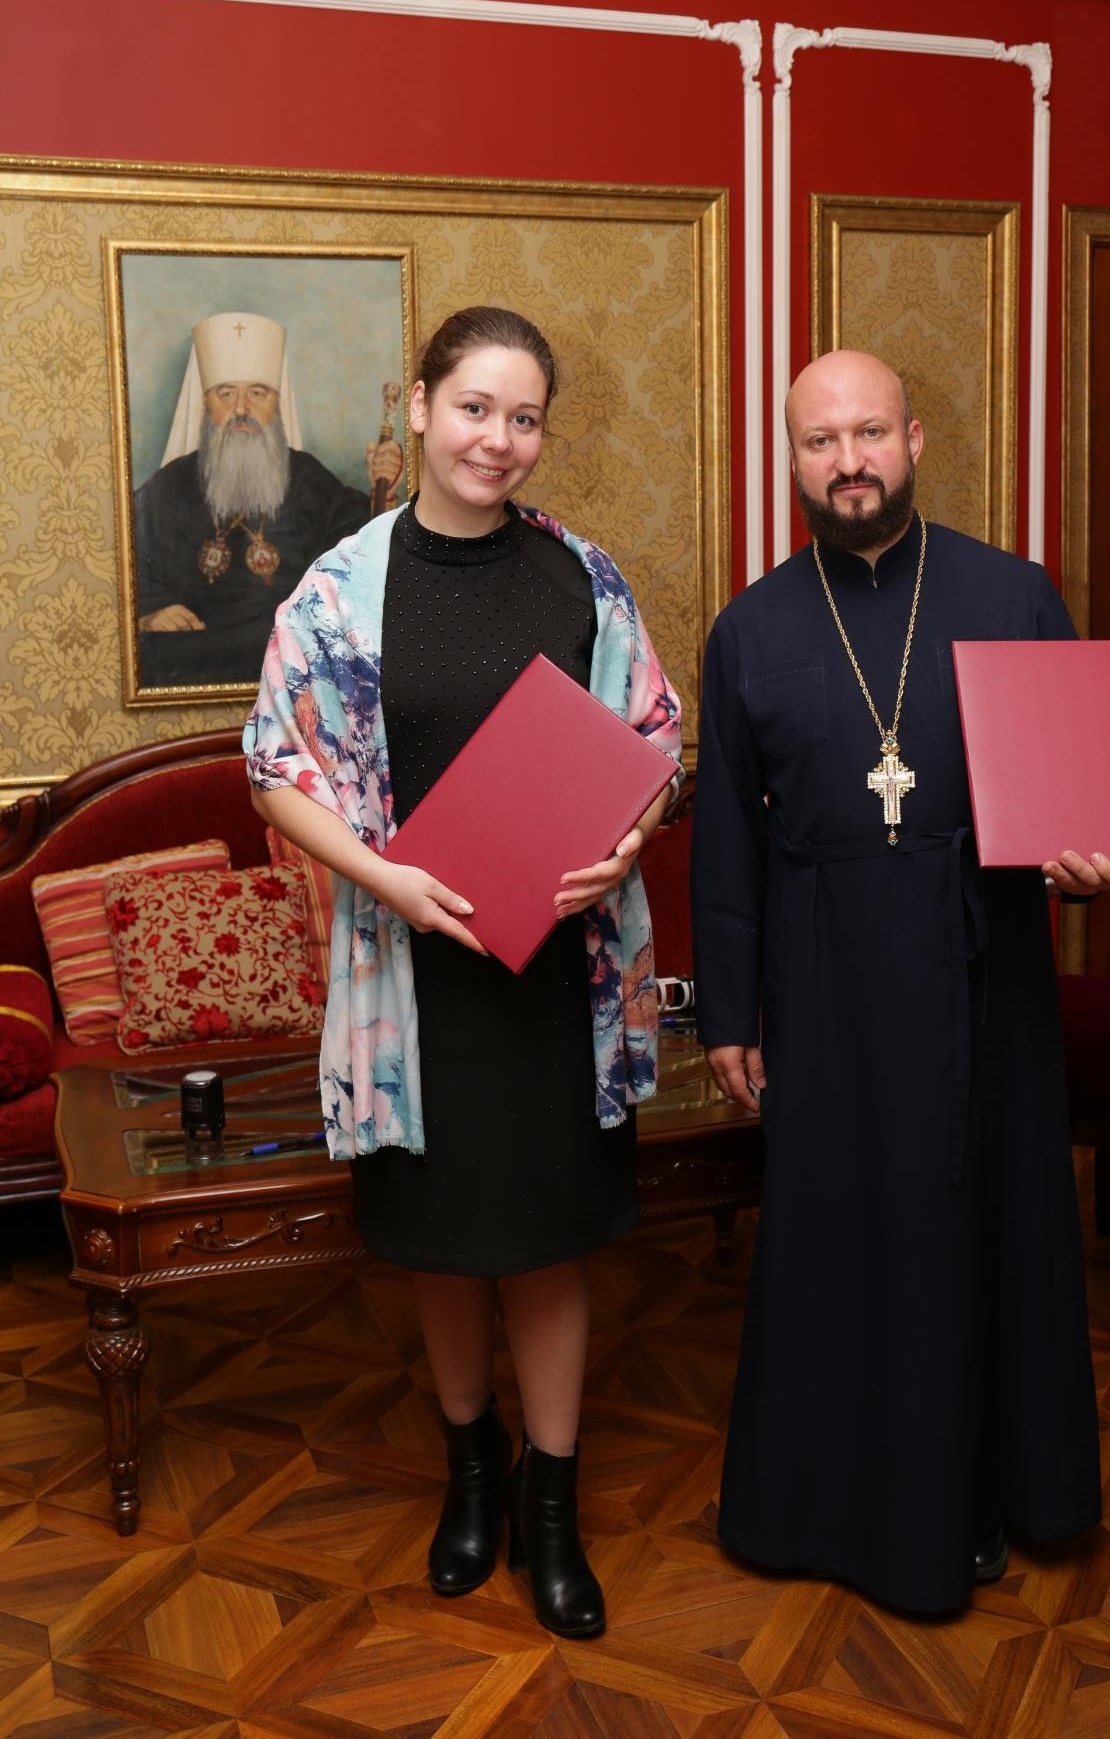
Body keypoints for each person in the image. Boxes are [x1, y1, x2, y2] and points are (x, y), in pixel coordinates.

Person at [244, 306, 681, 1639]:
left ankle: (552, 1506)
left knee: (546, 1247)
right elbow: (272, 768)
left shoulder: (581, 578)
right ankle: (469, 1479)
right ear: (422, 406)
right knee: (442, 1247)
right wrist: (385, 880)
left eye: (524, 416)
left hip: (554, 978)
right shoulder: (339, 588)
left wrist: (626, 844)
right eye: (476, 407)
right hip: (413, 982)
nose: (499, 438)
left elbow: (655, 740)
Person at [691, 349, 1110, 1615]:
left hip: (983, 959)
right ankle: (833, 1505)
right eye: (819, 441)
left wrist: (1088, 864)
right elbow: (726, 839)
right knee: (844, 1239)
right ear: (790, 460)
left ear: (914, 438)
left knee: (989, 1226)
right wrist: (728, 1008)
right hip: (823, 976)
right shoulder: (750, 627)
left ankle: (996, 1490)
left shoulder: (1011, 593)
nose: (848, 463)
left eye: (869, 433)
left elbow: (1075, 800)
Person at [134, 310, 404, 688]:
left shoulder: (309, 480)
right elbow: (126, 559)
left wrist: (383, 493)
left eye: (257, 394)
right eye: (226, 394)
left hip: (291, 667)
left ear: (276, 402)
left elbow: (362, 562)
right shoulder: (169, 486)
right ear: (206, 403)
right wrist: (151, 613)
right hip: (195, 658)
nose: (241, 409)